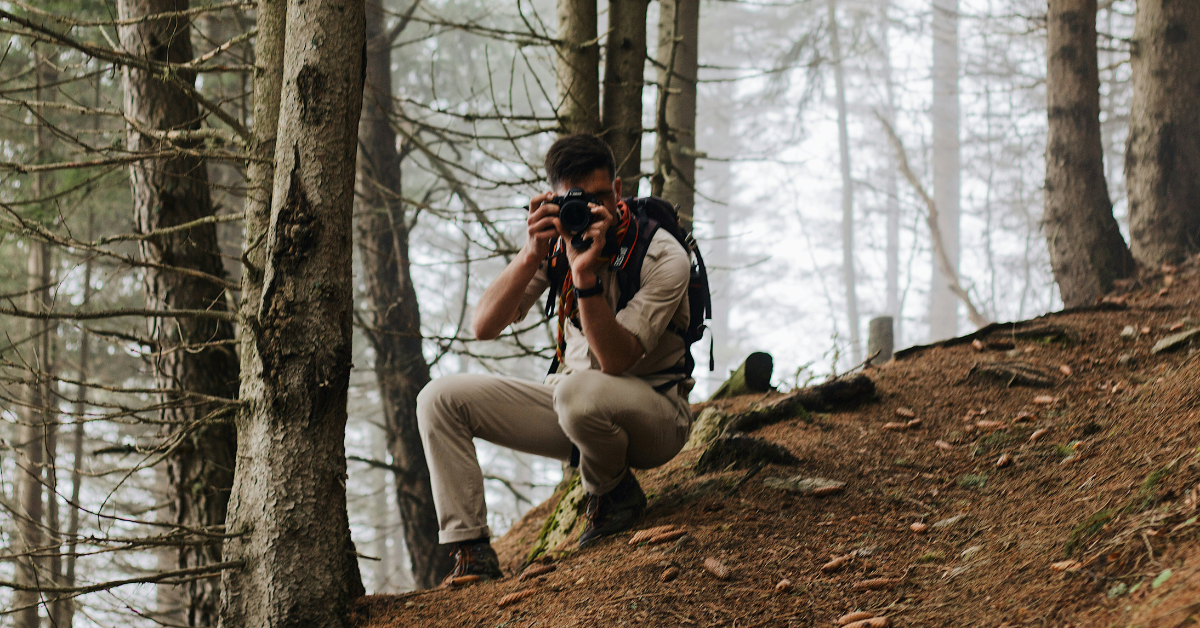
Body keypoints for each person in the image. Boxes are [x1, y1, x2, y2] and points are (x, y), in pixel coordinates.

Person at [416, 134, 695, 585]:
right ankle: (472, 551)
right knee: (438, 399)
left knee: (576, 393)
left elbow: (616, 361)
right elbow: (484, 326)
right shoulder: (558, 245)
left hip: (656, 416)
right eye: (577, 201)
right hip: (574, 408)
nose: (593, 211)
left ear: (619, 190)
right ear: (555, 201)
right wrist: (531, 254)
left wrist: (584, 276)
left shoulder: (661, 253)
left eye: (602, 197)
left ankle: (613, 494)